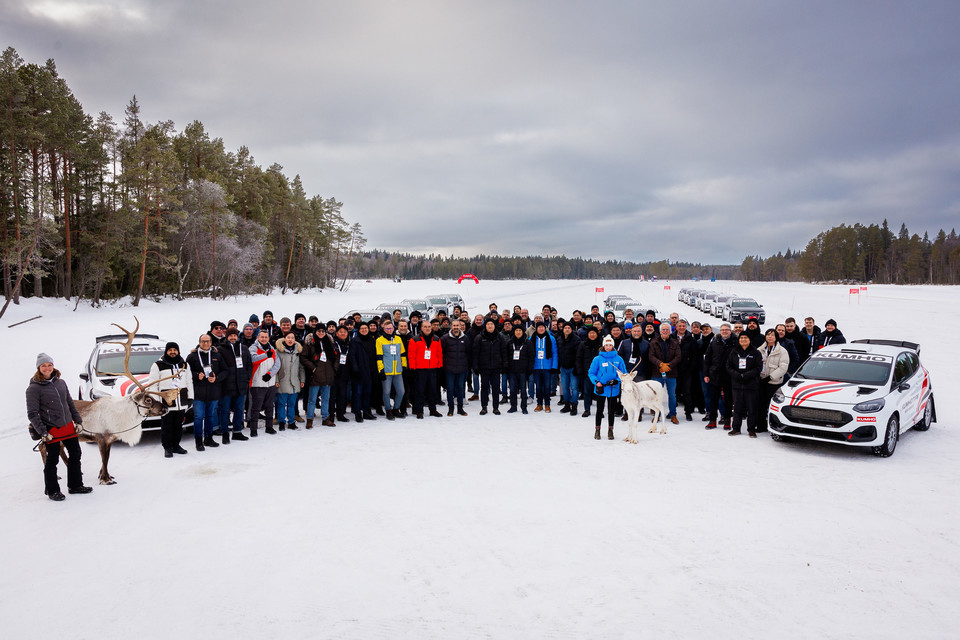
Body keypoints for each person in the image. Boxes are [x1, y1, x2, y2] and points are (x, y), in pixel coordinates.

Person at [27, 353, 92, 500]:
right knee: (53, 460)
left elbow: (69, 403)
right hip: (51, 430)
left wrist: (78, 421)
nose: (47, 368)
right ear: (39, 368)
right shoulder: (34, 388)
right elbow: (32, 413)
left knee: (76, 454)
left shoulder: (60, 383)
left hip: (68, 426)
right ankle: (52, 490)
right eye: (44, 365)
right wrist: (43, 432)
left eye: (49, 365)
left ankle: (75, 485)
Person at [149, 342, 194, 456]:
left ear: (178, 351)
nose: (173, 352)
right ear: (166, 351)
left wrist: (190, 398)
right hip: (166, 402)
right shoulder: (158, 365)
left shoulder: (184, 365)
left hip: (181, 400)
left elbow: (189, 381)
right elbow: (153, 385)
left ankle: (176, 445)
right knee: (167, 426)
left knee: (178, 425)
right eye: (170, 350)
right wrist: (157, 401)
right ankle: (167, 447)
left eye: (175, 350)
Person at [186, 334, 225, 450]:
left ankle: (209, 438)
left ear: (211, 342)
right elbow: (186, 372)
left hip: (213, 392)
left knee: (210, 416)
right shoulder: (192, 356)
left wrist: (216, 378)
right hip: (198, 393)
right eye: (203, 341)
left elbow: (225, 371)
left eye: (207, 341)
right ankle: (198, 441)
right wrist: (196, 375)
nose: (205, 344)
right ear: (199, 342)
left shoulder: (217, 355)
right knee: (198, 417)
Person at [588, 336, 627, 440]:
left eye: (610, 345)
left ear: (613, 346)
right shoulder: (597, 359)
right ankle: (597, 430)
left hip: (613, 389)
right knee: (599, 410)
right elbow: (591, 372)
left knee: (611, 411)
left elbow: (623, 373)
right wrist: (597, 382)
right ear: (603, 346)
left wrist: (617, 381)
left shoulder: (618, 359)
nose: (608, 347)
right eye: (606, 345)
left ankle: (610, 430)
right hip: (601, 388)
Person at [726, 332, 763, 437]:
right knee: (737, 408)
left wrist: (746, 375)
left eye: (745, 338)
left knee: (752, 409)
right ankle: (736, 428)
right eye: (741, 338)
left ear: (750, 339)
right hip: (737, 385)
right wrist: (737, 375)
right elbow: (728, 366)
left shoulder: (756, 353)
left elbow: (758, 368)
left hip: (751, 385)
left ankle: (751, 429)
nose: (743, 340)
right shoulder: (734, 352)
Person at [218, 328, 252, 442]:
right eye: (230, 335)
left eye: (235, 335)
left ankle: (237, 431)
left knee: (239, 409)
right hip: (226, 386)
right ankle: (225, 433)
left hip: (240, 385)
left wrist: (247, 378)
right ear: (227, 336)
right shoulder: (221, 349)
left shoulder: (244, 348)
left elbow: (248, 364)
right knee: (225, 410)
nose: (233, 337)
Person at [301, 324, 337, 428]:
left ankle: (325, 418)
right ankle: (309, 418)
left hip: (327, 375)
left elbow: (336, 357)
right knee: (312, 399)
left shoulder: (330, 343)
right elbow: (303, 358)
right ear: (315, 331)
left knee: (326, 399)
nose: (321, 332)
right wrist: (313, 368)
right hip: (315, 375)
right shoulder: (310, 343)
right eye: (318, 331)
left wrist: (334, 368)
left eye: (323, 331)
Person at [248, 329, 281, 435]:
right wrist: (266, 355)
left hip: (270, 382)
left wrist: (270, 374)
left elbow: (277, 364)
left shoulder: (272, 349)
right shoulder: (253, 348)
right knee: (256, 407)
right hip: (257, 383)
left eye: (266, 337)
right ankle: (253, 428)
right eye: (262, 337)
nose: (264, 339)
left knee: (269, 406)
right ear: (258, 337)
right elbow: (253, 359)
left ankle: (269, 426)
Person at [408, 321, 443, 418]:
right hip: (420, 369)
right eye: (425, 327)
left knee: (432, 391)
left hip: (432, 368)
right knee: (420, 391)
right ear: (421, 328)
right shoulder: (414, 339)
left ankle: (433, 410)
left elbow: (439, 354)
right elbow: (411, 355)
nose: (427, 328)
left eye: (429, 327)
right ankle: (419, 410)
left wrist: (440, 366)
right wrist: (412, 368)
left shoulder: (436, 339)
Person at [648, 322, 681, 424]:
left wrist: (668, 366)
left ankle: (673, 414)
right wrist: (661, 364)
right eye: (663, 329)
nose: (665, 331)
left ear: (670, 331)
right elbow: (651, 356)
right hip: (657, 373)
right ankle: (657, 415)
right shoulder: (654, 342)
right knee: (656, 395)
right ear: (660, 331)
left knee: (672, 395)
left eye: (667, 330)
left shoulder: (675, 343)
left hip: (671, 373)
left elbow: (678, 356)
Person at [703, 323, 734, 429]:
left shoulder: (735, 343)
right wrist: (706, 374)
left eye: (726, 330)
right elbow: (707, 359)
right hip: (714, 375)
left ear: (730, 331)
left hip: (728, 376)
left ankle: (727, 420)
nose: (724, 331)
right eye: (722, 330)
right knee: (713, 399)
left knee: (728, 400)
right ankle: (712, 420)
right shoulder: (714, 342)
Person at [473, 318, 507, 415]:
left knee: (496, 388)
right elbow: (475, 353)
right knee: (484, 387)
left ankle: (495, 407)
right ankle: (484, 407)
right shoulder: (479, 337)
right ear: (485, 325)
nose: (490, 326)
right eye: (488, 324)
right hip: (484, 367)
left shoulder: (499, 337)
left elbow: (504, 352)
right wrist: (475, 366)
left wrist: (504, 365)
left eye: (492, 324)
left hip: (496, 367)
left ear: (494, 325)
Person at [758, 329, 789, 432]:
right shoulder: (760, 350)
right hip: (761, 381)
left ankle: (774, 425)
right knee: (760, 404)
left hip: (774, 382)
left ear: (776, 337)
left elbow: (783, 368)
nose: (769, 337)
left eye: (772, 335)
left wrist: (770, 377)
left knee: (772, 405)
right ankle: (761, 425)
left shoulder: (782, 351)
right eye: (768, 334)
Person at [274, 331, 306, 431]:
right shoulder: (278, 351)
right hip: (282, 381)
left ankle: (291, 422)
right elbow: (274, 367)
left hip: (294, 382)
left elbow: (301, 368)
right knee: (281, 404)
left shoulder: (298, 352)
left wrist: (302, 380)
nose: (290, 340)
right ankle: (282, 422)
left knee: (292, 404)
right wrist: (276, 380)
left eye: (292, 338)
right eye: (288, 337)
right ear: (284, 339)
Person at [375, 319, 407, 420]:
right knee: (386, 392)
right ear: (383, 329)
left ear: (394, 328)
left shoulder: (398, 339)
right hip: (387, 371)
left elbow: (402, 354)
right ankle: (388, 410)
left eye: (391, 328)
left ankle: (396, 409)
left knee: (401, 391)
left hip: (397, 370)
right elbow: (379, 356)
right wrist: (381, 370)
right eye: (387, 328)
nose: (389, 330)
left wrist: (404, 366)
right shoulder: (379, 340)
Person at [441, 319, 471, 416]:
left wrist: (467, 366)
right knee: (450, 388)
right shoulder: (445, 338)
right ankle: (451, 408)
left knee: (460, 388)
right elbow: (442, 353)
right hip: (449, 369)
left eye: (457, 326)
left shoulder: (465, 338)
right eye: (454, 326)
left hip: (462, 368)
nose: (455, 328)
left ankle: (460, 408)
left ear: (460, 326)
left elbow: (468, 353)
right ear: (451, 326)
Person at [348, 323, 377, 422]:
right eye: (362, 328)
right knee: (358, 393)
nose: (364, 330)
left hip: (369, 371)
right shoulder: (355, 341)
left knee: (367, 393)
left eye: (366, 328)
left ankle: (366, 411)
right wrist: (355, 369)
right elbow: (352, 356)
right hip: (359, 372)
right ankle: (357, 413)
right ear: (359, 330)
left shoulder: (371, 340)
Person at [505, 324, 535, 413]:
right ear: (514, 332)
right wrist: (506, 367)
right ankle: (513, 406)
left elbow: (531, 357)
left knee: (523, 390)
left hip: (523, 370)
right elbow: (506, 356)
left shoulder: (528, 343)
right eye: (516, 331)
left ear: (523, 332)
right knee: (512, 390)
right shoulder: (510, 343)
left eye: (520, 331)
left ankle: (524, 407)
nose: (518, 332)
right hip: (512, 370)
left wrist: (529, 369)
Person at [576, 325, 603, 418]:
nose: (592, 335)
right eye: (590, 333)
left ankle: (600, 411)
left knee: (600, 392)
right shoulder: (583, 344)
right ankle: (587, 409)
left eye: (594, 333)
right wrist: (580, 370)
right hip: (587, 373)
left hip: (600, 373)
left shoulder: (601, 344)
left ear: (597, 333)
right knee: (587, 392)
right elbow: (579, 358)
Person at [530, 321, 558, 412]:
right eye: (539, 327)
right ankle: (539, 404)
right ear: (536, 328)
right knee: (538, 387)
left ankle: (547, 404)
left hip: (547, 367)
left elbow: (554, 353)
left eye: (543, 327)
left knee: (547, 387)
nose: (541, 329)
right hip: (536, 367)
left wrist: (554, 366)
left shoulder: (551, 339)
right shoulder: (531, 338)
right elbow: (529, 354)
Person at [556, 323, 582, 416]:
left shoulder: (576, 340)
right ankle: (567, 404)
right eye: (565, 328)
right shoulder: (560, 339)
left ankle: (574, 405)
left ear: (571, 329)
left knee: (574, 388)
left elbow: (578, 355)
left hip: (573, 368)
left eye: (569, 328)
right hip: (563, 367)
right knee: (565, 387)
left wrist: (576, 367)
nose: (567, 329)